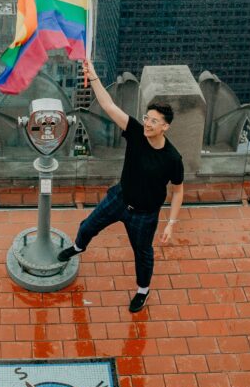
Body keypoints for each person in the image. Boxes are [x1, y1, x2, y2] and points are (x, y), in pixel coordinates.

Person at [58, 58, 185, 312]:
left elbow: (179, 190)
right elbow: (108, 105)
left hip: (145, 215)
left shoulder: (173, 158)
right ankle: (78, 247)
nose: (148, 124)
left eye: (154, 121)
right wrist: (92, 75)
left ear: (166, 127)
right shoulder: (137, 132)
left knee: (143, 254)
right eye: (147, 118)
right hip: (120, 198)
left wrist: (171, 223)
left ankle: (142, 291)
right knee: (88, 226)